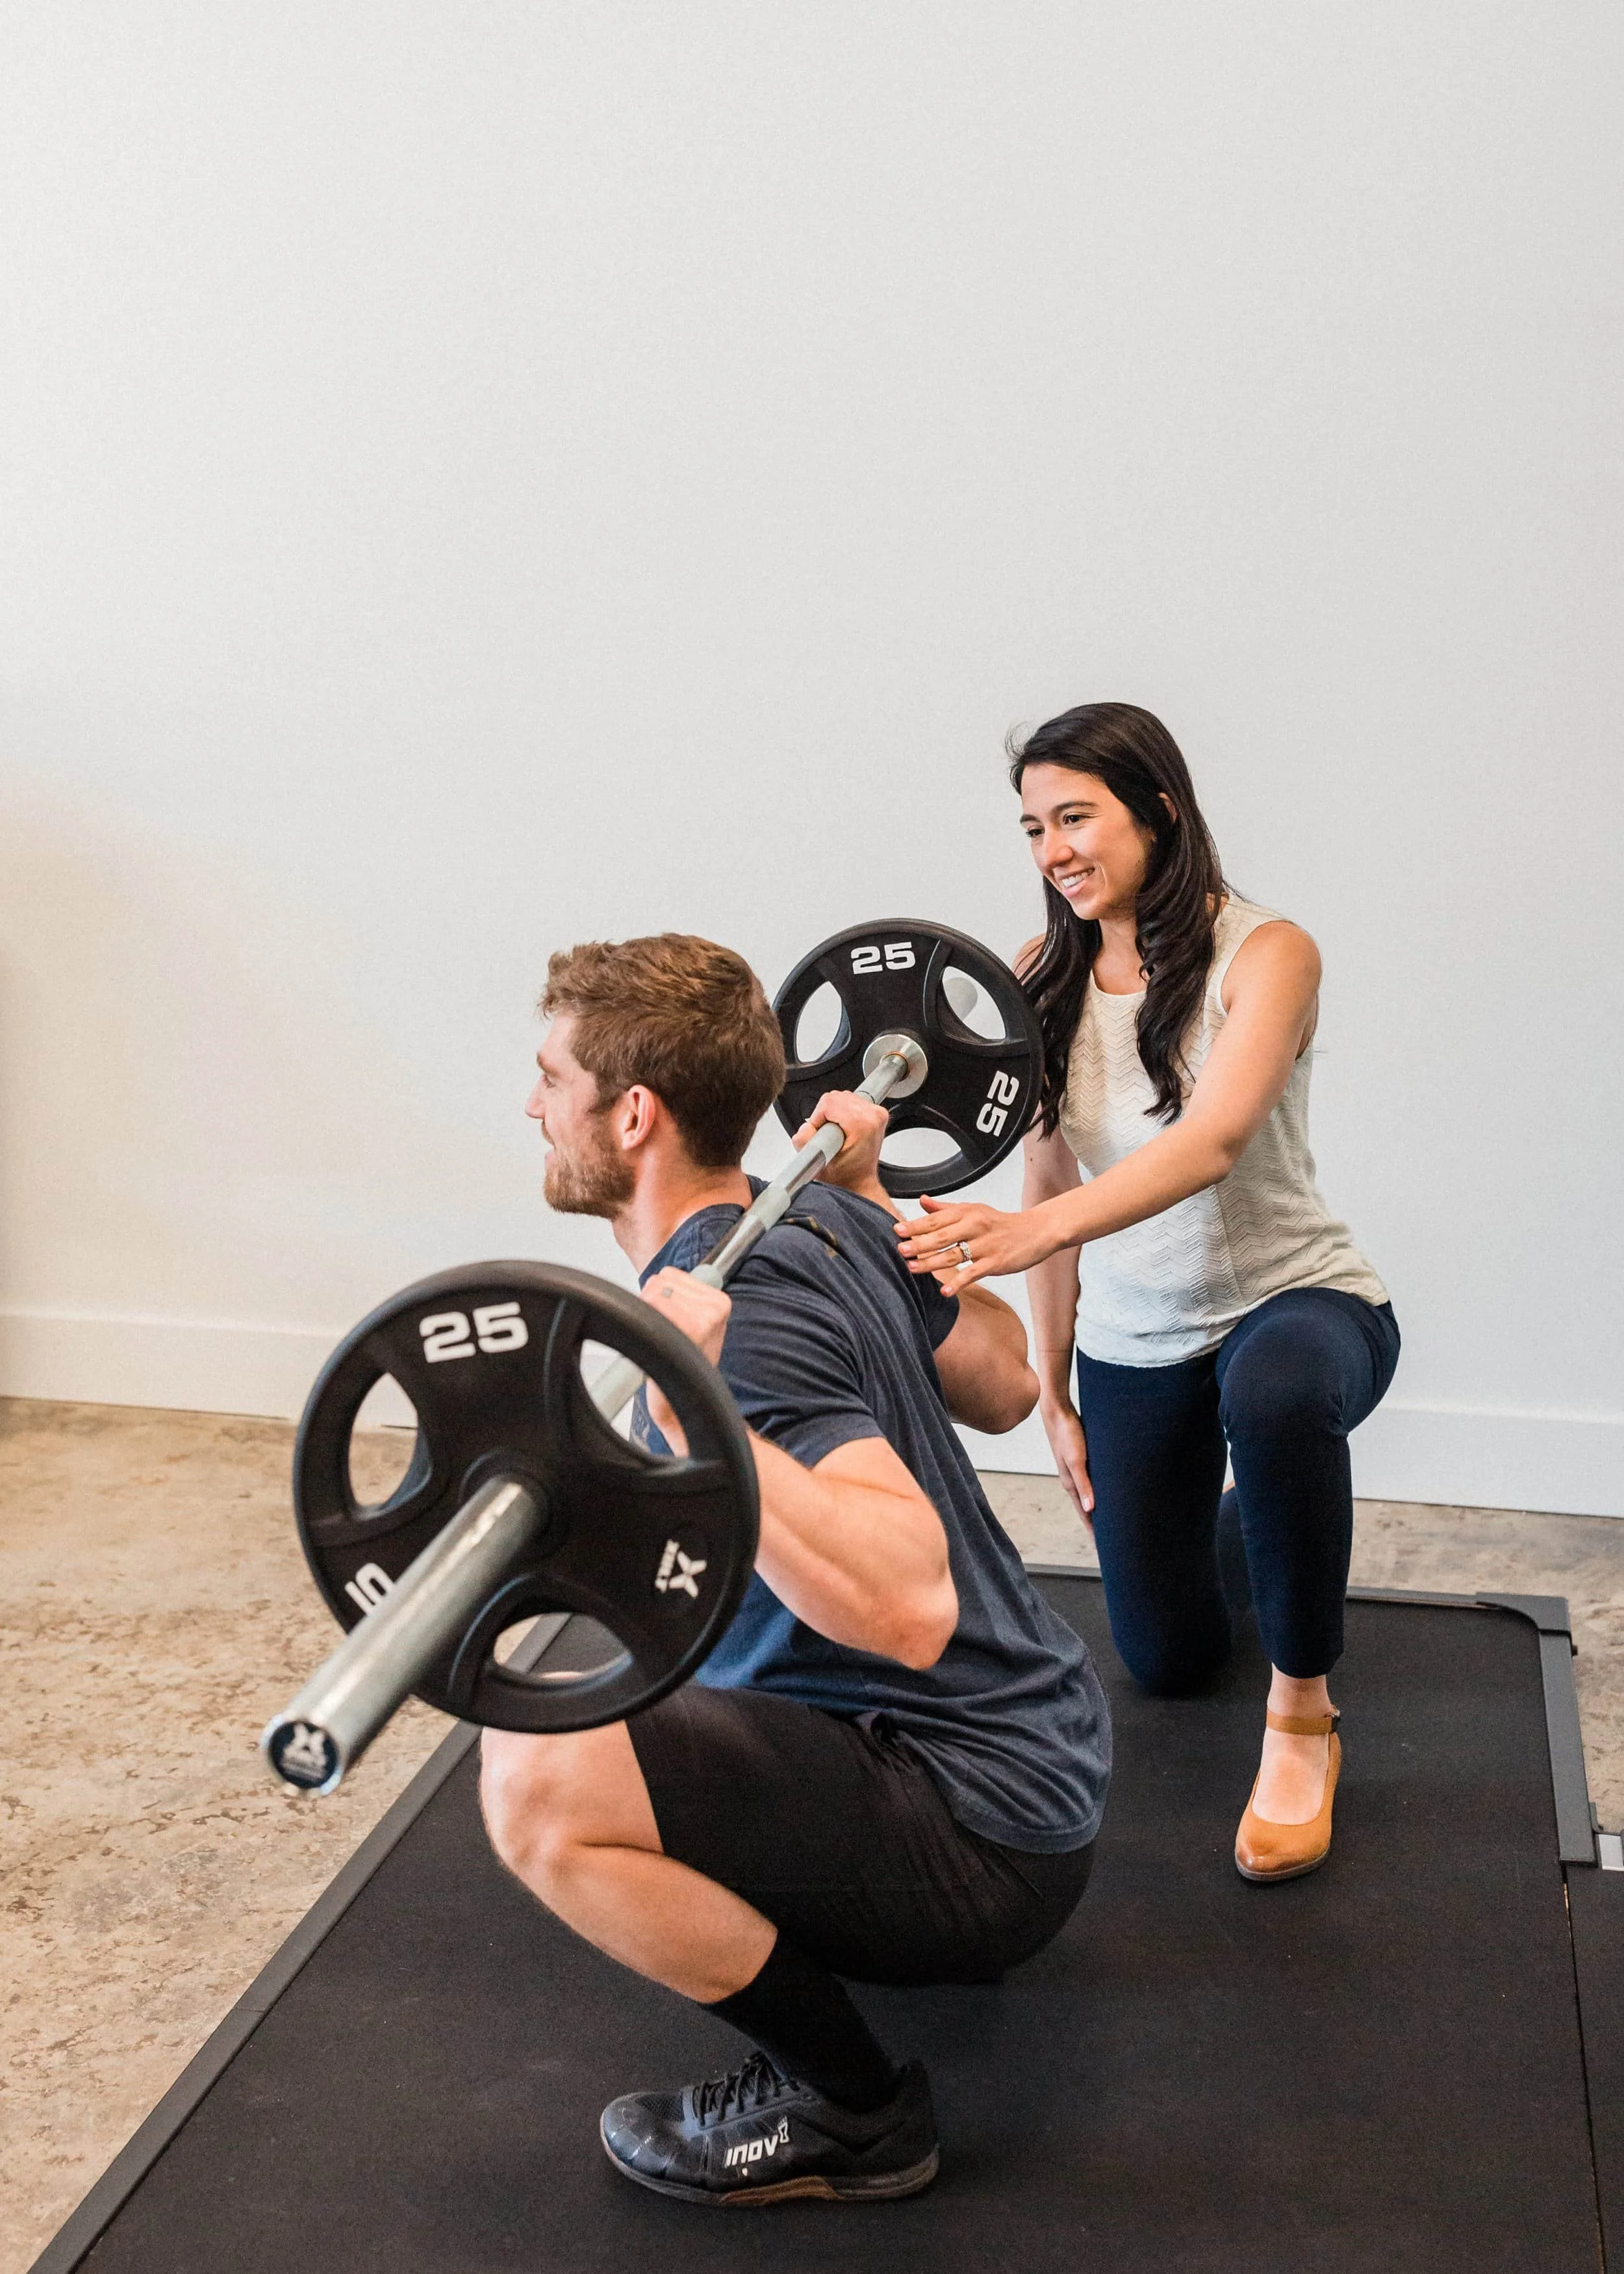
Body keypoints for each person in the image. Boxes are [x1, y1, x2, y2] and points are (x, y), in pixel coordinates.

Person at [479, 932, 1111, 2206]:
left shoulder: (737, 1310)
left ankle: (850, 2106)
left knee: (538, 1772)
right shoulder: (821, 1210)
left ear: (634, 1114)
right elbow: (1002, 1382)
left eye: (551, 1076)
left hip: (975, 1821)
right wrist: (880, 1209)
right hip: (1040, 1767)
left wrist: (699, 1411)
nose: (531, 1102)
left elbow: (908, 1598)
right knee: (602, 1648)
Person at [894, 703, 1399, 1885]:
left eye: (1076, 816)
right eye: (1032, 827)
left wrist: (1023, 1235)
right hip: (1137, 1337)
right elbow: (1051, 1164)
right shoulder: (1036, 978)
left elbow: (1213, 1141)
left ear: (1159, 811)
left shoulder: (1267, 953)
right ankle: (1272, 1524)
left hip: (1299, 1302)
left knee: (1273, 1401)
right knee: (1166, 1655)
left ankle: (1303, 1714)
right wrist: (1057, 1387)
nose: (1052, 849)